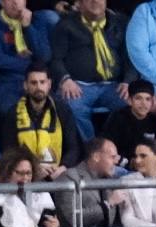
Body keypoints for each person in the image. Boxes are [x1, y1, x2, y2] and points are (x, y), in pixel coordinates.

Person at [49, 0, 132, 141]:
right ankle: (91, 150)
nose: (95, 1)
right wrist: (65, 79)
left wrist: (128, 81)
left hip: (113, 86)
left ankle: (113, 147)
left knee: (132, 103)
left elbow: (130, 56)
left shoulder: (120, 23)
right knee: (71, 105)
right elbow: (56, 58)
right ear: (79, 4)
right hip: (78, 86)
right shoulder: (65, 25)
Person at [4, 63, 82, 180]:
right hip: (26, 176)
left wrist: (63, 167)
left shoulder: (62, 110)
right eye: (33, 83)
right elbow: (8, 151)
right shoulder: (13, 113)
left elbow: (74, 147)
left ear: (49, 84)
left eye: (42, 82)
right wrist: (33, 169)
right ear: (25, 85)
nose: (38, 87)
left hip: (58, 173)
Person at [0, 0, 53, 123]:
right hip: (5, 83)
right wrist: (31, 64)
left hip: (36, 81)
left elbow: (44, 57)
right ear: (2, 3)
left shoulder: (37, 21)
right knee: (12, 111)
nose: (15, 3)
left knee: (58, 107)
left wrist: (28, 28)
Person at [55, 136, 125, 227]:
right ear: (96, 157)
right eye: (112, 157)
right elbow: (74, 218)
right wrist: (108, 204)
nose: (116, 162)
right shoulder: (70, 177)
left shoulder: (111, 181)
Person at [102, 78, 156, 167]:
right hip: (121, 166)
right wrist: (127, 162)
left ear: (152, 102)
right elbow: (108, 148)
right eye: (138, 98)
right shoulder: (117, 118)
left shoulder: (155, 121)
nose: (143, 103)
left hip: (147, 166)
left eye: (147, 99)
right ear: (129, 100)